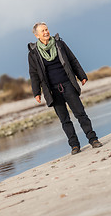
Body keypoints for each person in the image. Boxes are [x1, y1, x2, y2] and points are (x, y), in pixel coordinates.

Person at [28, 22, 102, 155]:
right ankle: (74, 145)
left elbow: (72, 59)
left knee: (81, 114)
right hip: (52, 90)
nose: (46, 32)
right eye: (43, 31)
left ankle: (93, 139)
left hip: (68, 84)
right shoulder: (33, 53)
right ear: (36, 35)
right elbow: (33, 74)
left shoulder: (59, 44)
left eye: (47, 29)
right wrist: (36, 92)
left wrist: (81, 75)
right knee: (65, 120)